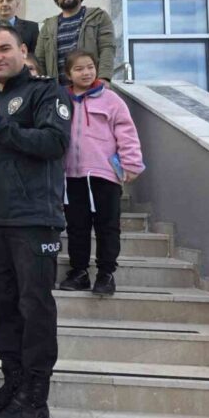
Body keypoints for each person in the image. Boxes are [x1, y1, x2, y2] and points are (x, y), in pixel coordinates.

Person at [0, 22, 72, 418]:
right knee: (0, 307)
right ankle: (13, 381)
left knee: (35, 307)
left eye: (4, 49)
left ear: (23, 51)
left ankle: (35, 396)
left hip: (33, 221)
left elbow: (54, 143)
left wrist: (0, 125)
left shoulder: (47, 92)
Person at [59, 50, 144, 296]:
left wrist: (131, 164)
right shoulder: (61, 100)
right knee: (77, 227)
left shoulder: (111, 100)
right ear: (68, 74)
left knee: (107, 226)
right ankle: (79, 272)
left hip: (104, 175)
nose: (86, 73)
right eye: (78, 69)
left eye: (90, 67)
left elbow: (127, 133)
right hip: (71, 176)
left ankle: (106, 274)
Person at [35, 0, 116, 85]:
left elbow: (107, 48)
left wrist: (104, 78)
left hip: (91, 88)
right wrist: (42, 86)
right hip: (58, 90)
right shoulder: (48, 26)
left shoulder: (99, 17)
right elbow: (39, 60)